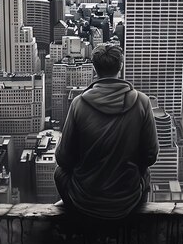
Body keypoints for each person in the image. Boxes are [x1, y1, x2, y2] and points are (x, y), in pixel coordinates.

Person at [54, 43, 159, 220]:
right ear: (121, 66)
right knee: (145, 173)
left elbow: (63, 158)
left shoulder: (78, 104)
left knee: (59, 172)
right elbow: (151, 155)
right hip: (127, 201)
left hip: (84, 201)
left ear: (94, 69)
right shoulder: (142, 102)